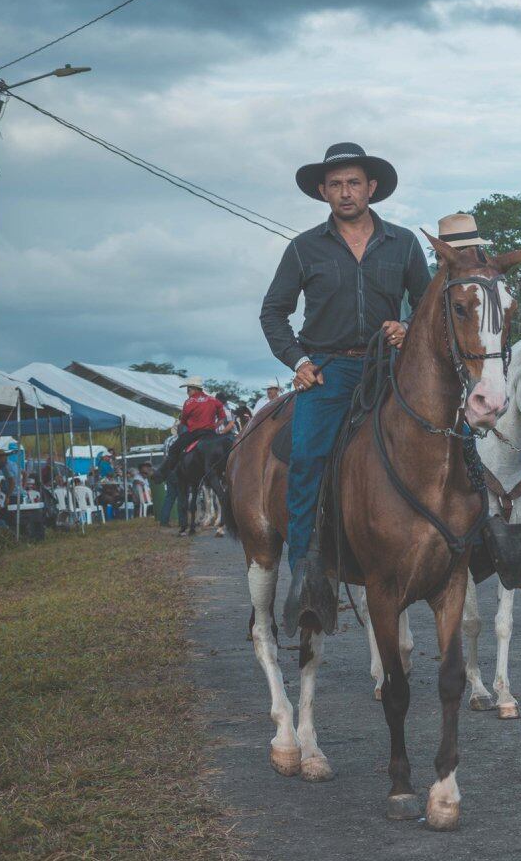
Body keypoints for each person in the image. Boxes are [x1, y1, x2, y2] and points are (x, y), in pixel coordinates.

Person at [259, 142, 429, 576]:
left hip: (391, 367)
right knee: (306, 459)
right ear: (323, 192)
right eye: (335, 185)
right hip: (327, 370)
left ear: (371, 187)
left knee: (453, 431)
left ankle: (477, 536)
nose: (346, 192)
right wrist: (299, 362)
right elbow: (273, 312)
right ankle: (305, 569)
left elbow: (428, 306)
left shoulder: (404, 243)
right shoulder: (304, 248)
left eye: (354, 182)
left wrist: (406, 326)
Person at [154, 376, 229, 481]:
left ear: (194, 389)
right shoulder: (214, 400)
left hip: (195, 433)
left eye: (188, 389)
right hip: (211, 433)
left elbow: (183, 421)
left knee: (174, 448)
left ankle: (164, 474)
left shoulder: (189, 402)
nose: (187, 392)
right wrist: (213, 426)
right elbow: (222, 418)